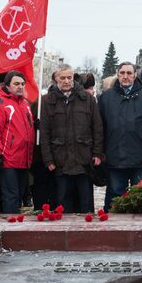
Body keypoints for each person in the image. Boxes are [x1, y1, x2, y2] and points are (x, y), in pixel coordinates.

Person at [98, 61, 142, 211]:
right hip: (115, 157)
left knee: (140, 198)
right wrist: (100, 151)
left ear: (135, 75)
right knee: (115, 198)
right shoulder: (106, 98)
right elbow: (99, 127)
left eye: (129, 73)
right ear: (117, 74)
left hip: (140, 158)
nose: (125, 76)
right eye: (122, 73)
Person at [40, 64, 103, 213]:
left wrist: (97, 153)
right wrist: (48, 160)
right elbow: (44, 132)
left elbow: (97, 128)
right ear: (56, 78)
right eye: (63, 78)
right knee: (63, 205)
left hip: (84, 160)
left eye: (69, 77)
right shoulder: (47, 100)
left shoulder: (87, 98)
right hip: (60, 161)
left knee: (85, 205)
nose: (66, 81)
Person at [0, 71, 35, 213]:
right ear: (7, 85)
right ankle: (9, 227)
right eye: (16, 84)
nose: (20, 87)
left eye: (22, 84)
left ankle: (16, 227)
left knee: (18, 196)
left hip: (24, 159)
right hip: (8, 158)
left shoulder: (25, 104)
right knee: (10, 196)